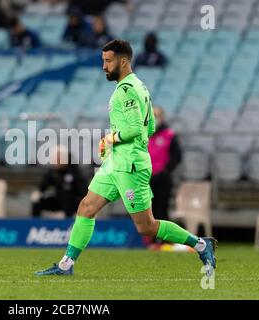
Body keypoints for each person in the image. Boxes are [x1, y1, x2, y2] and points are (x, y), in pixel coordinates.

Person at [35, 40, 217, 276]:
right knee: (86, 207)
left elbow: (138, 130)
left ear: (123, 61)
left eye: (108, 61)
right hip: (116, 162)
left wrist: (112, 138)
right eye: (103, 61)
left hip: (130, 165)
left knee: (146, 226)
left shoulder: (127, 89)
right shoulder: (139, 86)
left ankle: (201, 244)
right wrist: (114, 145)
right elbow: (151, 126)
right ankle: (66, 264)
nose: (104, 66)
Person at [31, 145, 87, 218]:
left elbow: (82, 193)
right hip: (58, 201)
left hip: (74, 204)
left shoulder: (75, 172)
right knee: (37, 200)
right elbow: (43, 184)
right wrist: (38, 192)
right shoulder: (54, 171)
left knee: (67, 196)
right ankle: (35, 224)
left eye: (58, 159)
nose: (55, 162)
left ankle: (67, 219)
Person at [148, 106, 182, 222]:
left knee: (162, 210)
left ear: (162, 118)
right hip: (145, 179)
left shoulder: (169, 135)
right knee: (147, 212)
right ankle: (148, 239)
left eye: (156, 116)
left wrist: (165, 170)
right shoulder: (143, 134)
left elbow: (177, 156)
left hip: (163, 179)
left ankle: (162, 238)